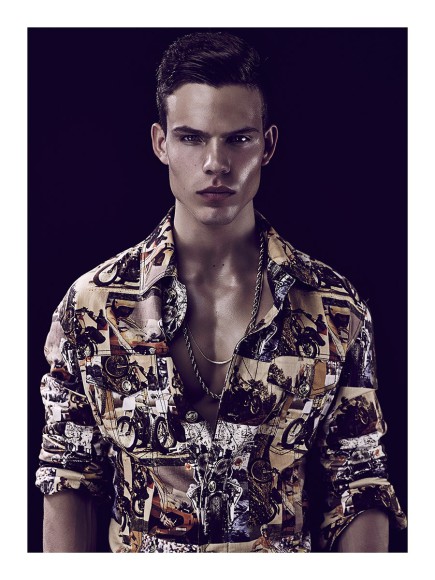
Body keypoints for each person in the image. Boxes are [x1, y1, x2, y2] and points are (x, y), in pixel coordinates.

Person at [36, 31, 407, 553]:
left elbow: (359, 481)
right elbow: (70, 472)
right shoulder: (91, 306)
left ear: (268, 145)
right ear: (161, 143)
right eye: (191, 138)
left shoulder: (332, 307)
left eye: (238, 139)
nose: (216, 163)